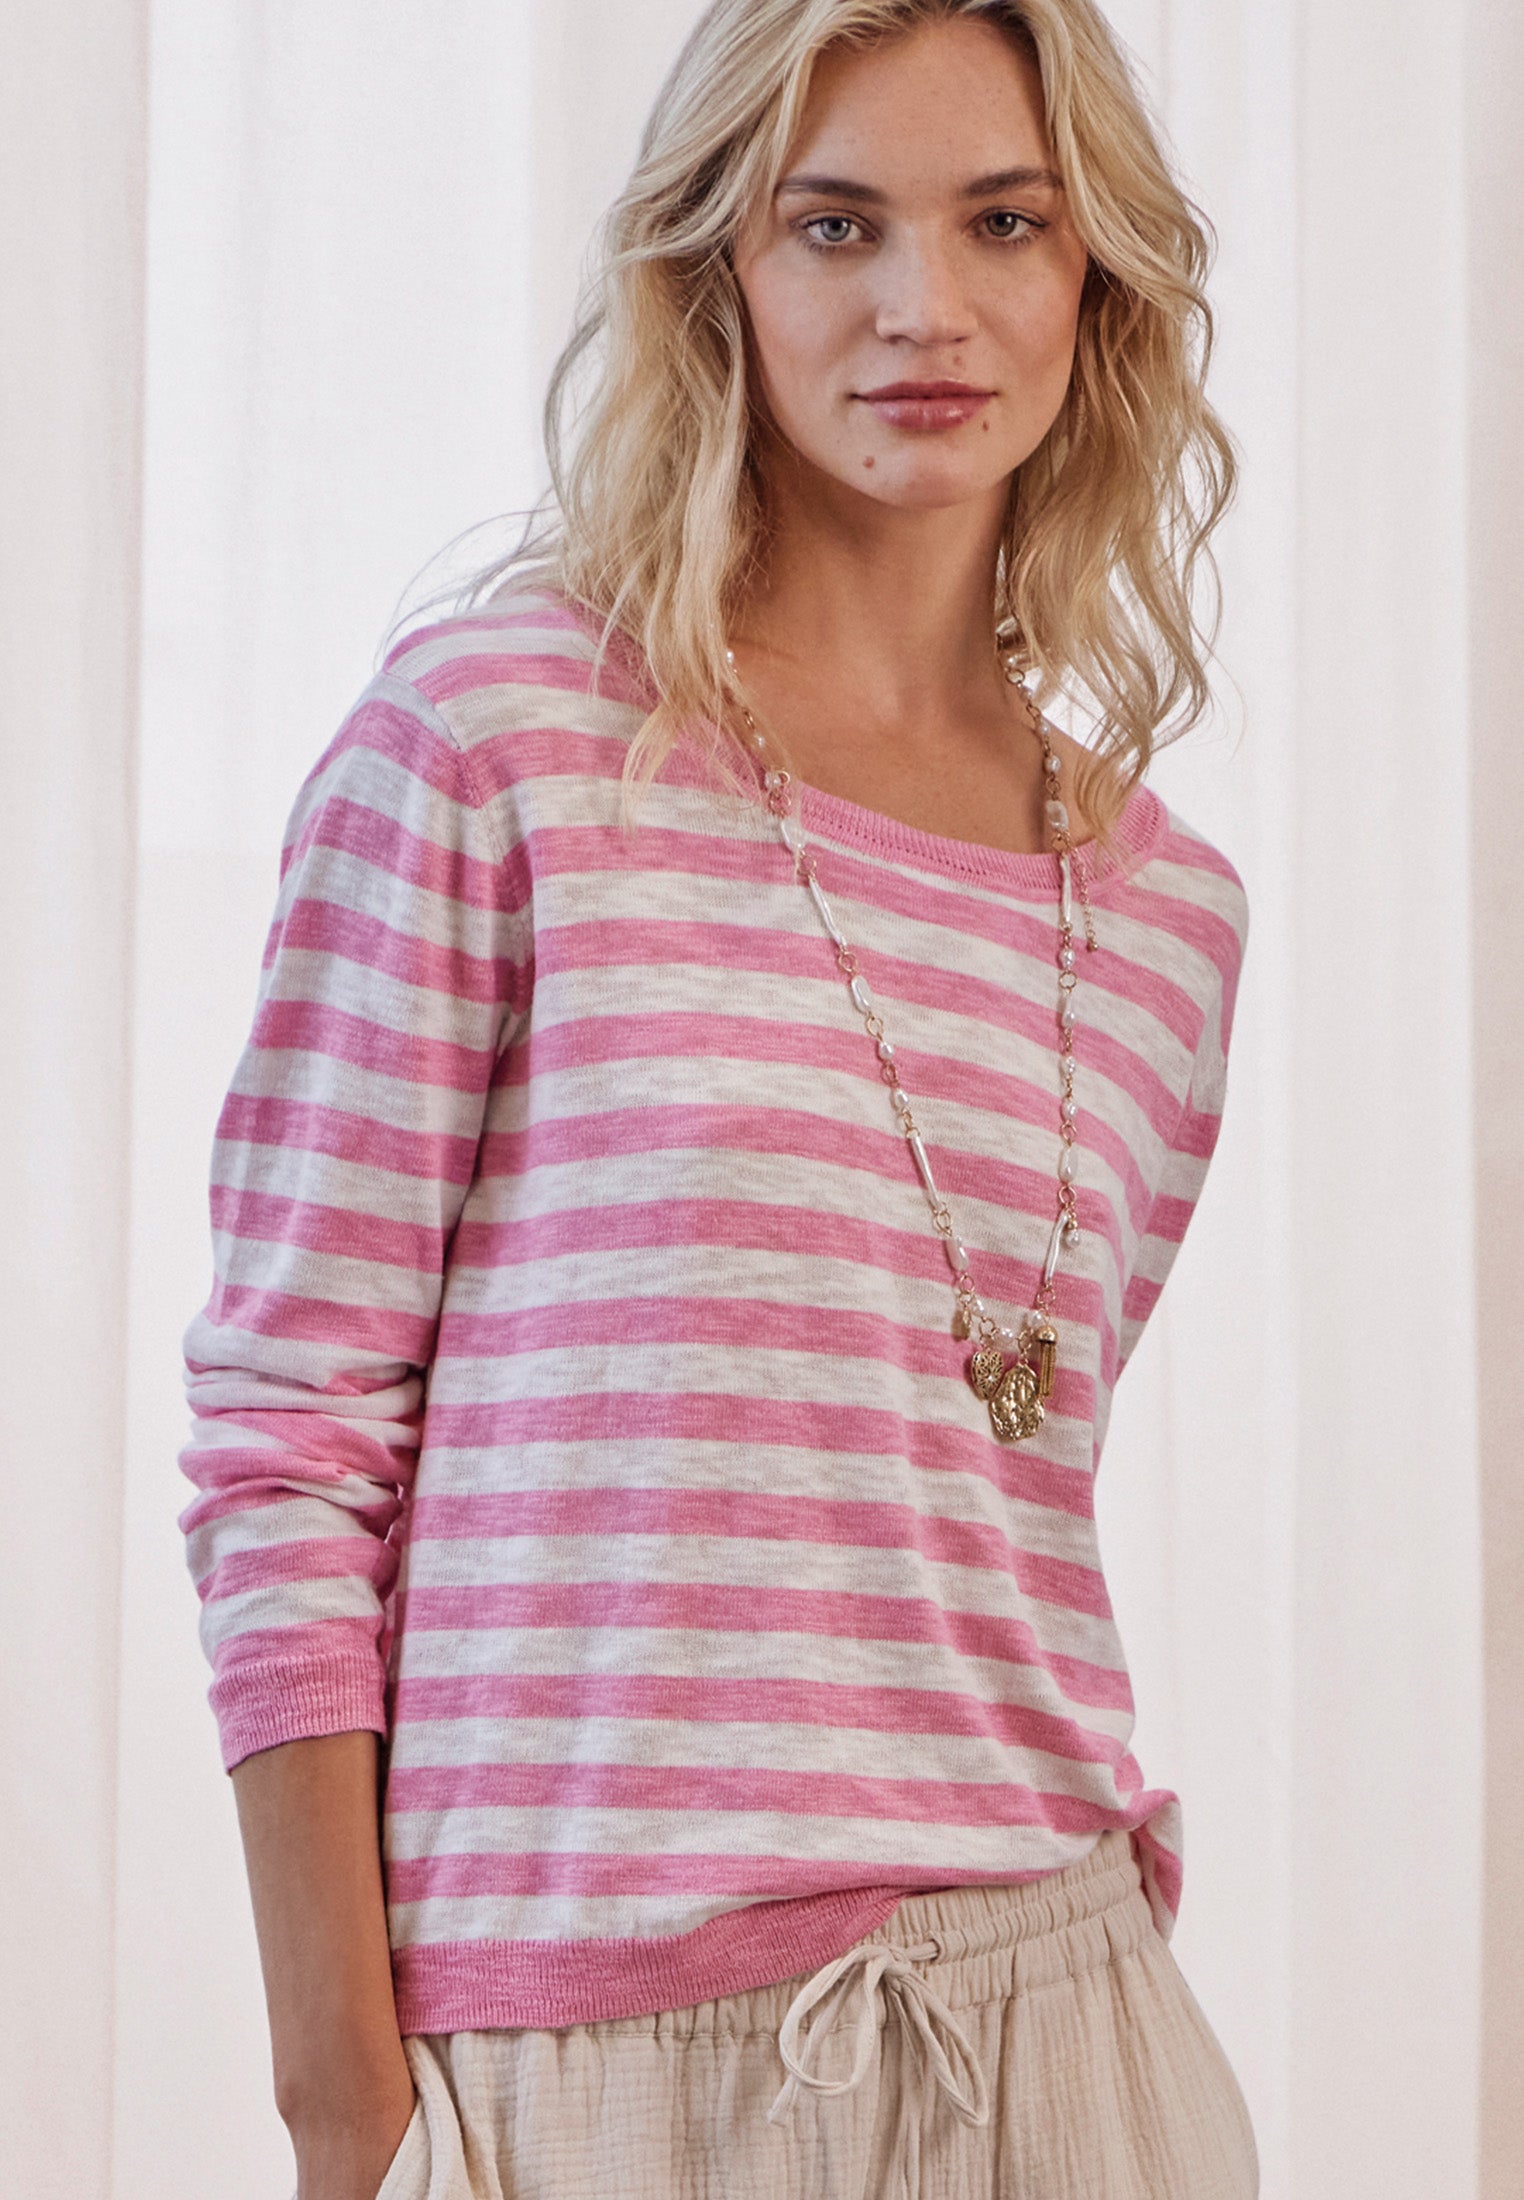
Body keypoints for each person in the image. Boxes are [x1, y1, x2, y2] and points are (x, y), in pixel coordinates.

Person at [180, 3, 1259, 2195]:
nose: (921, 305)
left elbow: (966, 1492)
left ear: (1099, 282)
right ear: (719, 273)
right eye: (833, 225)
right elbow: (288, 1438)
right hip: (586, 2058)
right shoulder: (495, 741)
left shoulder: (1167, 915)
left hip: (1068, 2031)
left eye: (1005, 223)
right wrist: (342, 2100)